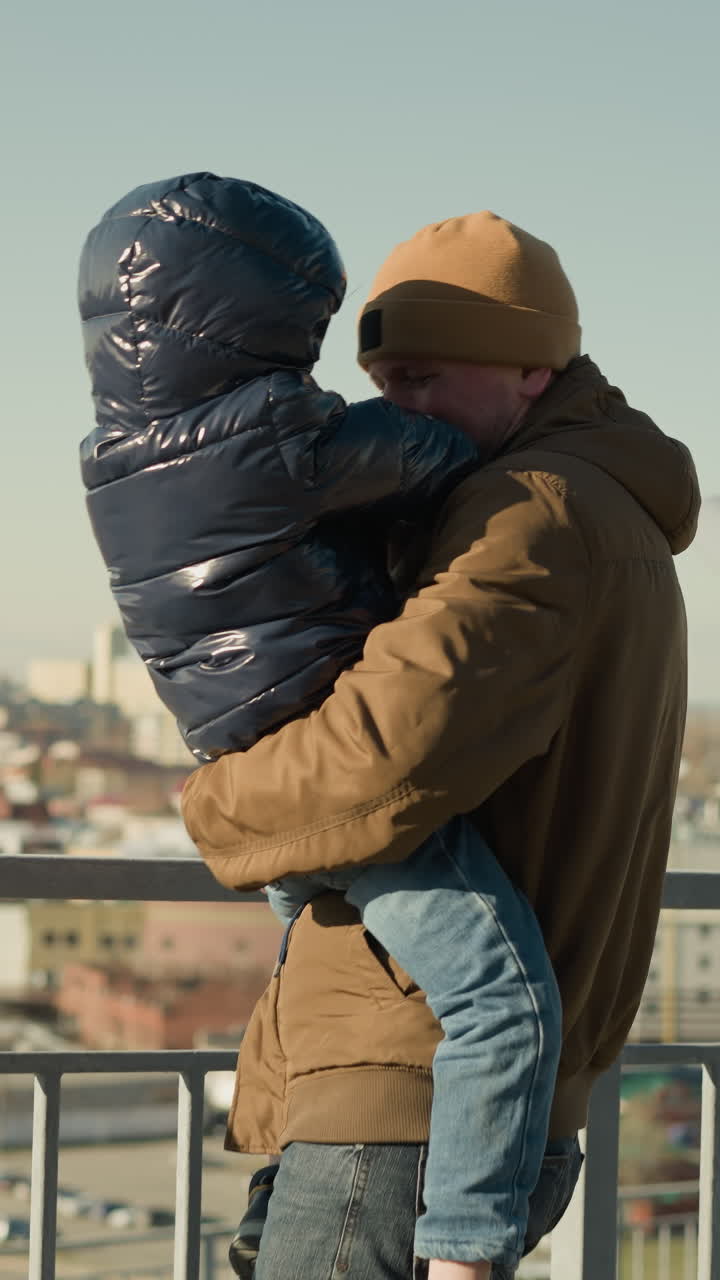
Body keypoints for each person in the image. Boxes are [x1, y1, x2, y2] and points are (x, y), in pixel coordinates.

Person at [182, 208, 700, 1279]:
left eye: (422, 377)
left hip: (407, 1091)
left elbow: (380, 756)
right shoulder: (604, 506)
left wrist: (217, 801)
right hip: (449, 1095)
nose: (396, 409)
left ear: (531, 370)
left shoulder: (529, 514)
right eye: (382, 381)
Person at [78, 174, 564, 1280]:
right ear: (261, 316)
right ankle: (467, 1249)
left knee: (310, 976)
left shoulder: (114, 451)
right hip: (327, 755)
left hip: (237, 743)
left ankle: (264, 1194)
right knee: (502, 997)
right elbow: (432, 461)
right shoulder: (275, 431)